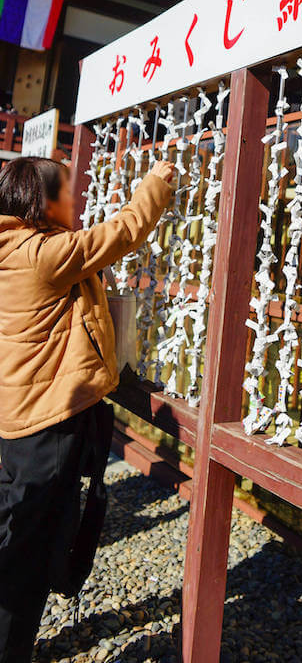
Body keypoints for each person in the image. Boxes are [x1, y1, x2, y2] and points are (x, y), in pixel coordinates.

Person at [0, 155, 174, 662]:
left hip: (17, 416)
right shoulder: (42, 254)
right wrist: (156, 182)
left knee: (17, 527)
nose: (74, 200)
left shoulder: (10, 249)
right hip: (48, 420)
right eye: (66, 191)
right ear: (42, 200)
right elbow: (123, 232)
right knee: (29, 550)